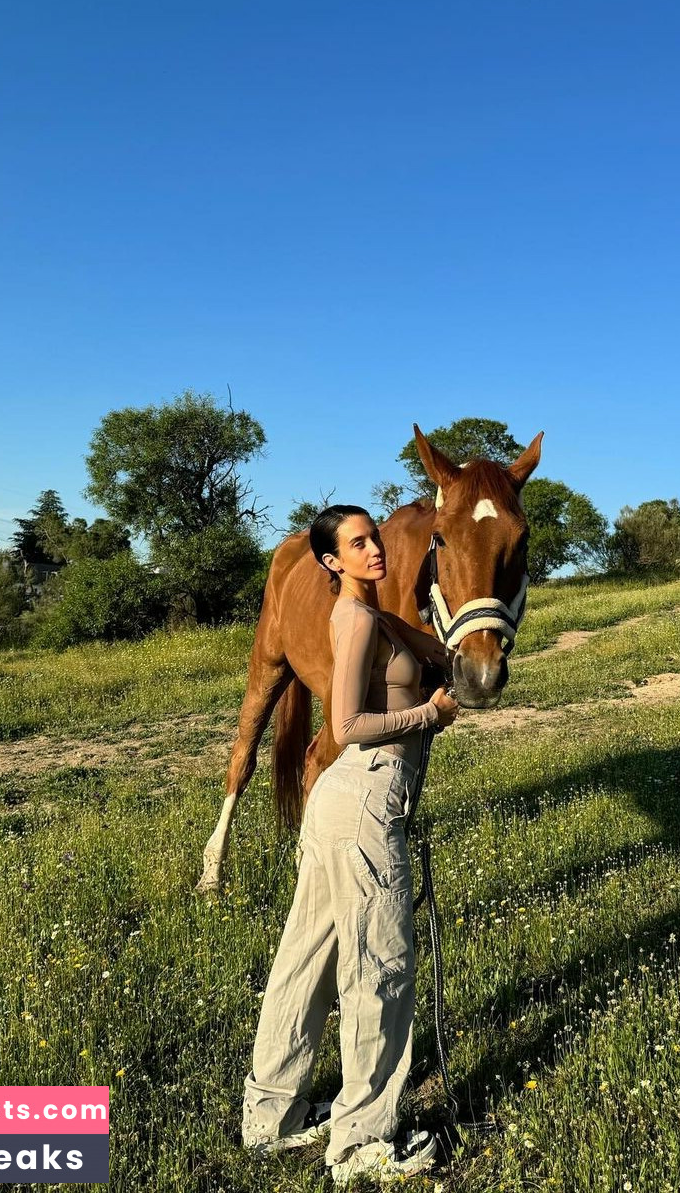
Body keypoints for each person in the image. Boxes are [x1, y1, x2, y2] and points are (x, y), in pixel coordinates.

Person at [241, 504, 459, 1183]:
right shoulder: (356, 619)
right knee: (379, 969)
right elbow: (346, 724)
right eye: (357, 544)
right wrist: (428, 714)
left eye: (375, 537)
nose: (374, 549)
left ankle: (270, 1118)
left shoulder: (380, 615)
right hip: (365, 797)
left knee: (304, 963)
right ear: (332, 562)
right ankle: (361, 1144)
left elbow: (441, 653)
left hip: (340, 805)